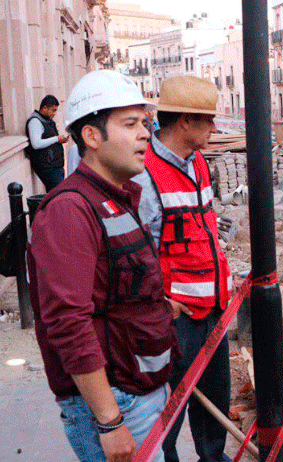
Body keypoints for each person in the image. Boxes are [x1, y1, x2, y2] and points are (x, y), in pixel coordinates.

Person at [28, 70, 176, 462]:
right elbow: (67, 321)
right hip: (115, 404)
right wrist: (110, 421)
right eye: (130, 124)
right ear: (91, 136)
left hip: (139, 391)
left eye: (145, 123)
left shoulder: (117, 197)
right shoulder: (69, 211)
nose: (146, 133)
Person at [132, 75, 233, 462]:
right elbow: (138, 254)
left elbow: (204, 227)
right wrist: (163, 305)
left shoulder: (199, 163)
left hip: (214, 309)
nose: (214, 128)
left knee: (215, 402)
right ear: (185, 122)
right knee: (169, 410)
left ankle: (212, 457)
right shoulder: (146, 174)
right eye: (208, 120)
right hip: (177, 321)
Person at [25, 95, 70, 191]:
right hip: (48, 168)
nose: (55, 113)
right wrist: (57, 139)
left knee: (58, 195)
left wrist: (60, 139)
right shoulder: (35, 121)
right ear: (44, 108)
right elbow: (36, 144)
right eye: (53, 110)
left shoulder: (47, 121)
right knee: (57, 195)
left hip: (54, 166)